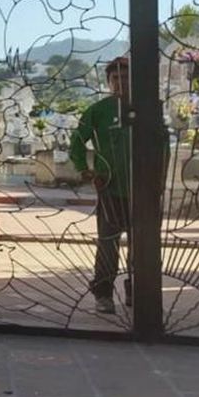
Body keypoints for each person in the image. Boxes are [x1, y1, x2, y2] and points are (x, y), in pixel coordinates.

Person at [69, 56, 133, 314]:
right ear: (108, 82)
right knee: (108, 244)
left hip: (143, 190)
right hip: (110, 189)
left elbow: (162, 144)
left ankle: (138, 291)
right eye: (116, 78)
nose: (121, 82)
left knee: (144, 246)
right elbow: (76, 142)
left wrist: (158, 179)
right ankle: (104, 294)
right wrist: (85, 170)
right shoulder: (98, 110)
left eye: (126, 77)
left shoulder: (147, 109)